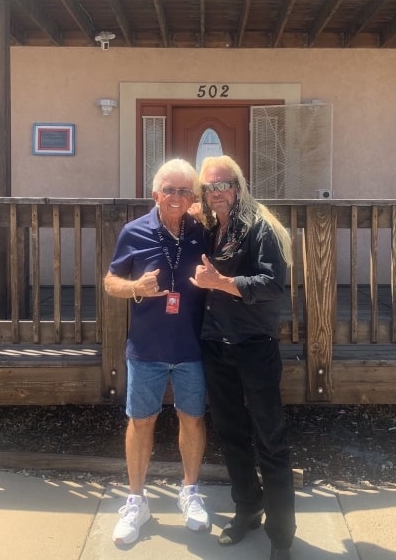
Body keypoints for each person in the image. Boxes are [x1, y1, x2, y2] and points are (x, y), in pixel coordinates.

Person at [190, 155, 296, 560]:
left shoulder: (260, 227)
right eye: (209, 186)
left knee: (271, 439)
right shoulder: (213, 228)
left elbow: (272, 284)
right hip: (216, 345)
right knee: (232, 435)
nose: (217, 192)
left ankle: (282, 537)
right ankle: (247, 508)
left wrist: (221, 282)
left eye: (223, 184)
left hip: (254, 345)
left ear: (239, 185)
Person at [104, 158, 210, 546]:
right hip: (146, 348)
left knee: (193, 420)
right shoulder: (134, 232)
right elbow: (109, 282)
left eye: (186, 191)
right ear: (155, 194)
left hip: (192, 347)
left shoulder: (203, 230)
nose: (177, 198)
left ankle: (190, 491)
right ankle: (136, 501)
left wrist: (204, 208)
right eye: (170, 190)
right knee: (141, 422)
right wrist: (136, 288)